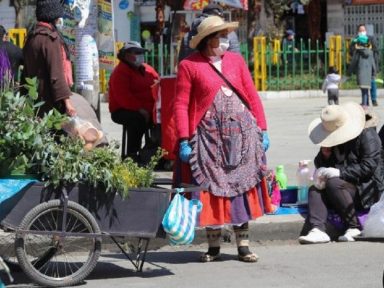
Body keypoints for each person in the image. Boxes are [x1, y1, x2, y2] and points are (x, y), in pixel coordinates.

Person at [174, 16, 270, 263]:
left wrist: (263, 128)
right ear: (208, 39)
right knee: (211, 189)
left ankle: (244, 246)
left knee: (241, 187)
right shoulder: (189, 65)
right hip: (208, 140)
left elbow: (251, 95)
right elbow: (181, 104)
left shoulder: (236, 62)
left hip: (243, 138)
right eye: (222, 35)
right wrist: (184, 138)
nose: (226, 40)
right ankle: (214, 247)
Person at [299, 102, 384, 244]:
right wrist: (324, 157)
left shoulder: (367, 135)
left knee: (333, 183)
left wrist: (339, 172)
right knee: (316, 189)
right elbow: (323, 165)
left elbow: (369, 166)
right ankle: (318, 229)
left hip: (366, 188)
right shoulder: (331, 138)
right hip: (343, 186)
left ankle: (354, 226)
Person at [22, 0, 76, 117]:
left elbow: (25, 71)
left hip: (34, 100)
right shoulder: (50, 39)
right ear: (54, 17)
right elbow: (56, 74)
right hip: (51, 102)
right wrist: (67, 102)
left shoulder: (31, 37)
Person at [108, 41, 159, 162]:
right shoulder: (120, 72)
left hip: (149, 108)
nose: (140, 55)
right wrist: (141, 109)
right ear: (126, 55)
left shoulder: (148, 69)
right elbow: (123, 97)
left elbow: (158, 83)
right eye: (136, 52)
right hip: (122, 110)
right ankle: (132, 154)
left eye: (141, 52)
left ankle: (154, 151)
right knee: (137, 119)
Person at [350, 24, 379, 106]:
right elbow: (351, 51)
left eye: (363, 30)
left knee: (372, 82)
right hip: (361, 65)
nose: (362, 32)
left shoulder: (370, 39)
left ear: (366, 31)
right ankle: (366, 102)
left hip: (370, 64)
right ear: (358, 31)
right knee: (364, 84)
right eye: (360, 30)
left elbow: (375, 50)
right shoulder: (355, 40)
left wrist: (375, 64)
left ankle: (373, 100)